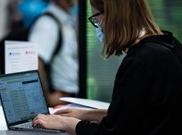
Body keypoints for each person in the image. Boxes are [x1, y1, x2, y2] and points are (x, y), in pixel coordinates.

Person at [32, 0, 182, 134]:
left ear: (111, 15)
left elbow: (112, 131)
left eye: (96, 20)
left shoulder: (140, 62)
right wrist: (85, 115)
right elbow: (131, 115)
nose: (99, 28)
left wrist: (67, 124)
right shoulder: (169, 45)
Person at [28, 0, 78, 107]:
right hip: (60, 101)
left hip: (70, 99)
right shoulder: (47, 23)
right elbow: (34, 62)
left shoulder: (67, 19)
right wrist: (46, 99)